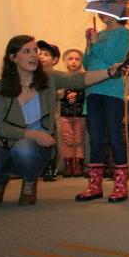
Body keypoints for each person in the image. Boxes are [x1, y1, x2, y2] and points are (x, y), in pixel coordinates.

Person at [0, 35, 114, 205]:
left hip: (36, 147)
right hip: (5, 141)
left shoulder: (49, 78)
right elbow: (1, 127)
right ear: (13, 57)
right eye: (26, 51)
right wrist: (33, 134)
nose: (34, 55)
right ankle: (0, 178)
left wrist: (109, 72)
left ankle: (29, 180)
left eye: (35, 51)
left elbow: (80, 79)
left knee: (24, 149)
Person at [75, 14, 129, 203]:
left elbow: (115, 59)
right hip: (93, 90)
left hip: (112, 91)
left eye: (108, 5)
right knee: (95, 137)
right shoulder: (98, 35)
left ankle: (121, 185)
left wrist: (96, 43)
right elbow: (87, 64)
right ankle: (94, 185)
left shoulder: (124, 33)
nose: (103, 13)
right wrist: (89, 44)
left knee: (115, 136)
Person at [57, 49, 86, 178]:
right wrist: (65, 95)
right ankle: (68, 166)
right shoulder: (62, 77)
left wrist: (77, 96)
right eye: (70, 59)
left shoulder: (84, 77)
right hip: (65, 115)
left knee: (79, 140)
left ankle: (79, 165)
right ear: (65, 61)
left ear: (81, 61)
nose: (74, 61)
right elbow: (58, 93)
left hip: (80, 114)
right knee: (67, 140)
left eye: (77, 59)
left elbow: (86, 92)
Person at [36, 40, 61, 181]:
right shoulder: (32, 75)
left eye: (45, 54)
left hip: (51, 117)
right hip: (36, 117)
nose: (41, 56)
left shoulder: (56, 76)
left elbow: (62, 92)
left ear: (54, 60)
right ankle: (39, 166)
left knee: (51, 142)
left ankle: (51, 167)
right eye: (39, 53)